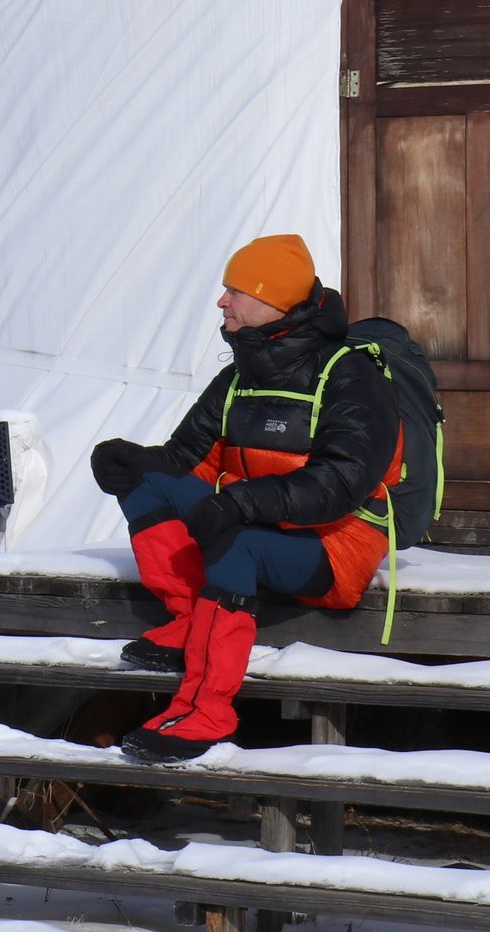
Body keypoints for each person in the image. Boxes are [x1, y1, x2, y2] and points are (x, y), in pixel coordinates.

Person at [87, 235, 402, 764]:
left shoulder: (350, 377)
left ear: (272, 303)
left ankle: (207, 711)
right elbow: (184, 461)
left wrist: (243, 503)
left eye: (234, 290)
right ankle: (190, 619)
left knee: (238, 540)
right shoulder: (239, 377)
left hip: (333, 550)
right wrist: (128, 460)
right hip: (257, 529)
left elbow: (336, 486)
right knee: (144, 480)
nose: (222, 302)